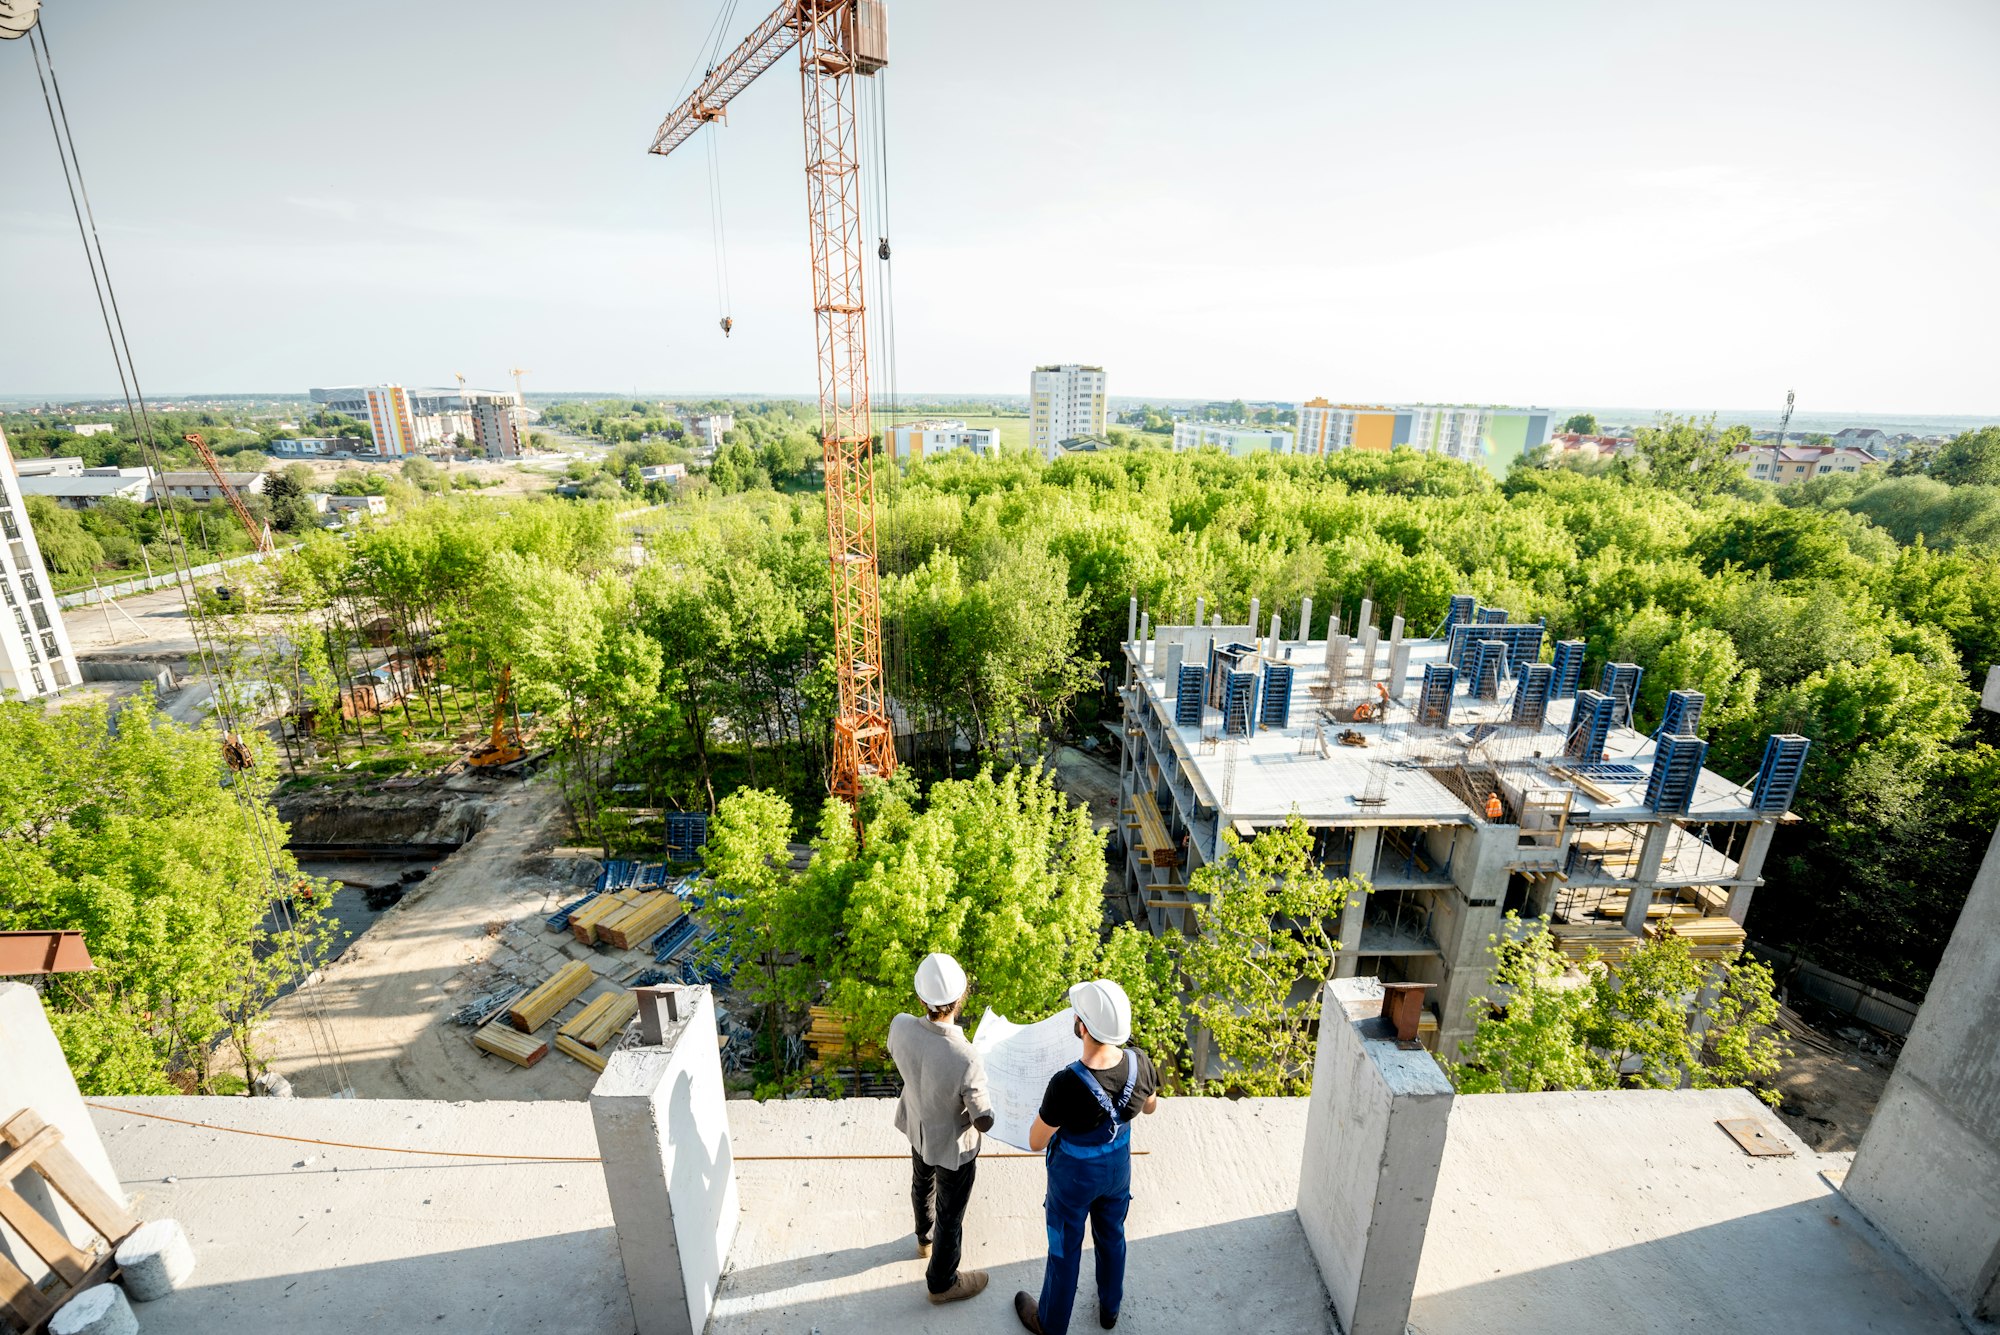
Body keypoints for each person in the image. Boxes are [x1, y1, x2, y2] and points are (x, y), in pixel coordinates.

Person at [1013, 979, 1159, 1334]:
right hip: (1117, 1172)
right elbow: (1150, 1106)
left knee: (1064, 1248)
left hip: (1073, 1180)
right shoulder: (1140, 1062)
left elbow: (1036, 1141)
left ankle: (1051, 1323)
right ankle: (1110, 1309)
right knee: (1112, 1236)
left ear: (1082, 1027)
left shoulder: (1065, 1084)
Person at [886, 952, 994, 1305]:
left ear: (922, 998)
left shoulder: (900, 1026)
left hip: (918, 1126)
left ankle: (923, 1238)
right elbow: (982, 1119)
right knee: (951, 1214)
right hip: (953, 1146)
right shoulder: (966, 1055)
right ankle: (942, 1283)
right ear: (960, 998)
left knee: (922, 1183)